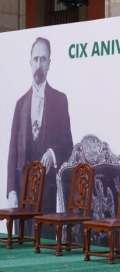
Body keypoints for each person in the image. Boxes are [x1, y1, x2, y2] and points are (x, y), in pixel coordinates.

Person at [6, 37, 73, 213]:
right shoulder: (20, 104)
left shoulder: (60, 100)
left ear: (49, 64)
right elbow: (12, 150)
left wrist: (53, 153)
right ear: (30, 62)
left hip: (48, 192)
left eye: (43, 59)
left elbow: (68, 144)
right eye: (35, 59)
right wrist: (11, 189)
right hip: (22, 191)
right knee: (23, 240)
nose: (39, 64)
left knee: (46, 241)